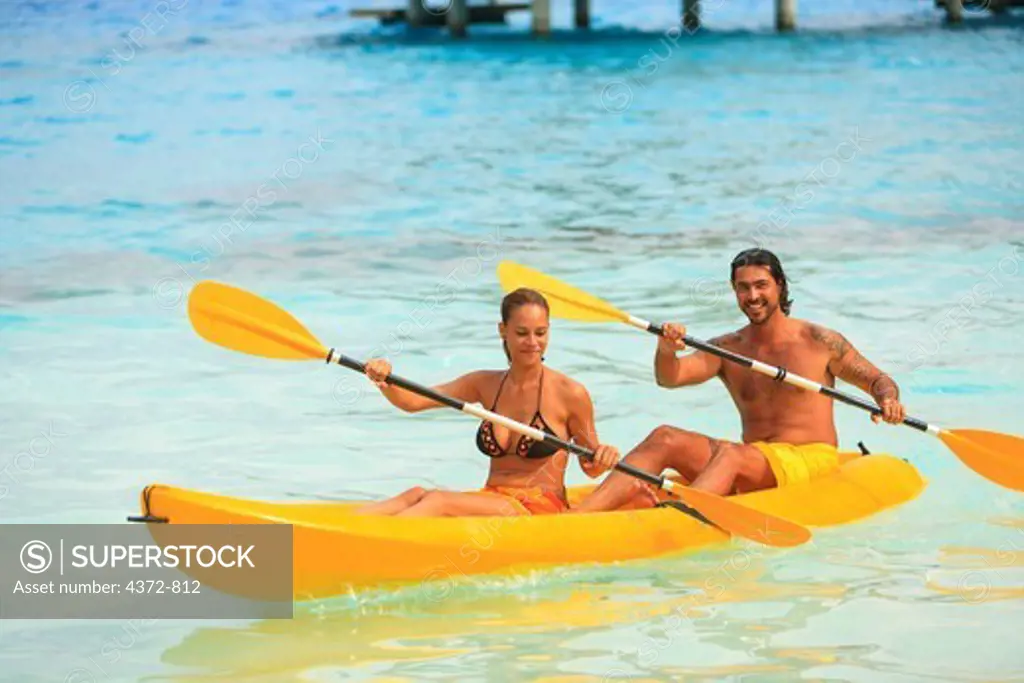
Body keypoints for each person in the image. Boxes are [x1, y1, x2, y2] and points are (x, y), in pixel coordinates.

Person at [573, 247, 908, 512]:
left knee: (731, 455)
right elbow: (670, 378)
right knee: (664, 438)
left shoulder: (819, 341)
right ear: (735, 291)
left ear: (780, 286)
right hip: (754, 460)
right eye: (743, 288)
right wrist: (665, 349)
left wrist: (887, 401)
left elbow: (877, 380)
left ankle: (678, 519)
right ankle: (577, 519)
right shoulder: (728, 348)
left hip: (809, 460)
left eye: (761, 285)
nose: (753, 296)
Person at [356, 287, 621, 517]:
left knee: (437, 501)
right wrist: (385, 379)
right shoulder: (484, 384)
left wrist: (603, 455)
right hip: (493, 497)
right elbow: (414, 401)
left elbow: (592, 467)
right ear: (502, 330)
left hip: (536, 508)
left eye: (540, 333)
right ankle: (345, 525)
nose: (533, 343)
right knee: (415, 493)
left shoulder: (569, 393)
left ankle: (366, 552)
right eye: (521, 333)